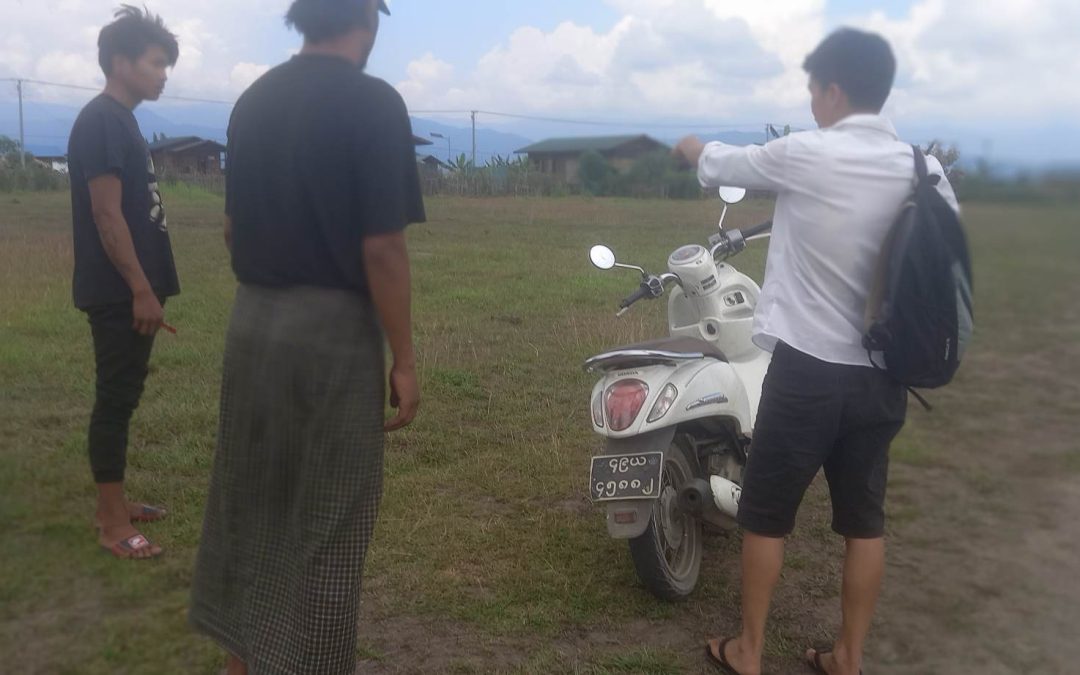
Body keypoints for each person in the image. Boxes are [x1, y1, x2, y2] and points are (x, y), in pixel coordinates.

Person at [674, 28, 959, 675]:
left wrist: (692, 146)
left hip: (805, 371)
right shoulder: (926, 170)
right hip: (885, 375)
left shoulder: (806, 155)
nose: (809, 104)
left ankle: (748, 648)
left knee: (767, 516)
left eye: (811, 90)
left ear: (833, 90)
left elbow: (723, 164)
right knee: (865, 520)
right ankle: (848, 656)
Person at [188, 0, 423, 672]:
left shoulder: (254, 99)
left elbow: (233, 228)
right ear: (368, 21)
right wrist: (403, 357)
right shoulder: (373, 103)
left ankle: (244, 659)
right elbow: (382, 248)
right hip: (330, 335)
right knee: (328, 522)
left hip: (252, 323)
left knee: (250, 503)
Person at [68, 5, 180, 560]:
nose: (165, 74)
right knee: (115, 398)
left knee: (125, 395)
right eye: (157, 63)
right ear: (121, 61)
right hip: (118, 290)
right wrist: (139, 287)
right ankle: (111, 522)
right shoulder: (103, 119)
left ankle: (117, 499)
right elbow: (106, 215)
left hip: (133, 286)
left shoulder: (123, 118)